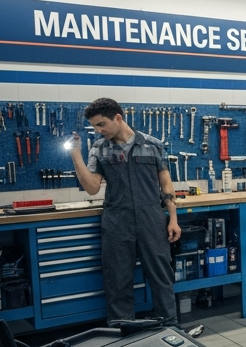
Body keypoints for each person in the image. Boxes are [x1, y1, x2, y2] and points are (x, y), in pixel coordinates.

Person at [68, 98, 181, 326]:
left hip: (151, 219)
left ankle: (170, 330)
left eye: (101, 125)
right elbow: (91, 188)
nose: (98, 131)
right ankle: (122, 334)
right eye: (94, 127)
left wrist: (173, 219)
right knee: (117, 281)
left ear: (118, 118)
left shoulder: (152, 144)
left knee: (161, 278)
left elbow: (166, 184)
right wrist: (76, 155)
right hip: (117, 222)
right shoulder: (99, 149)